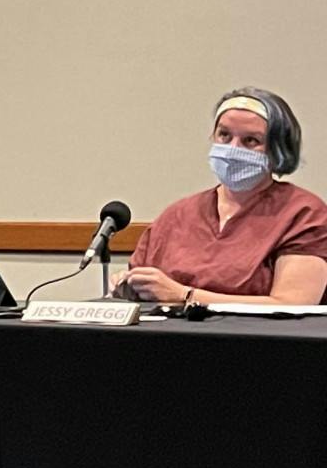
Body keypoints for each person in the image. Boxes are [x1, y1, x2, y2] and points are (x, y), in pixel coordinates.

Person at [119, 88, 327, 307]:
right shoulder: (178, 215)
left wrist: (186, 296)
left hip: (257, 339)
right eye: (224, 136)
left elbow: (294, 305)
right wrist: (132, 286)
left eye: (250, 140)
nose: (232, 149)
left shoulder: (303, 215)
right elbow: (149, 283)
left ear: (278, 150)